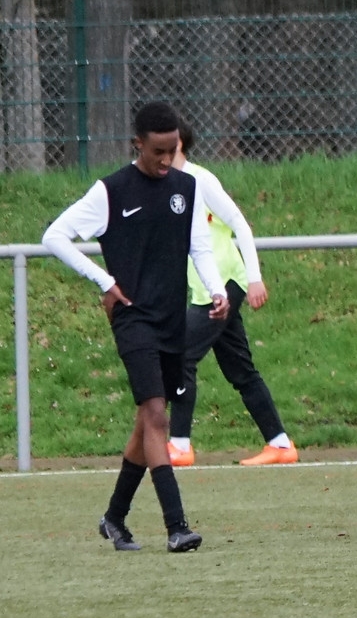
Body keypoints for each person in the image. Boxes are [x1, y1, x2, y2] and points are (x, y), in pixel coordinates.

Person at [42, 101, 230, 552]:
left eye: (173, 151)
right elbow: (54, 236)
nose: (166, 161)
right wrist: (105, 281)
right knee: (157, 414)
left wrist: (216, 288)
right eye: (157, 152)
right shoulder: (111, 191)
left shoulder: (187, 187)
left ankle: (113, 518)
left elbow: (200, 247)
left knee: (146, 422)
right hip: (133, 318)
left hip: (171, 318)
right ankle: (177, 527)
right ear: (137, 144)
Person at [167, 120, 298, 467]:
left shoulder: (201, 180)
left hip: (225, 285)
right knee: (240, 370)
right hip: (204, 290)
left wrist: (254, 278)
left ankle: (179, 445)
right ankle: (280, 444)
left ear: (178, 143)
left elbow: (239, 224)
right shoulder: (165, 186)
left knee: (181, 356)